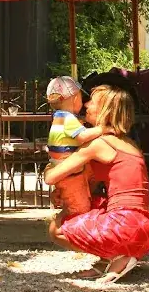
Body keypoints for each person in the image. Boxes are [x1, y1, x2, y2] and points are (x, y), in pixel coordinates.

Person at [44, 84, 149, 284]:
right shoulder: (129, 144)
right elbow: (94, 182)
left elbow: (51, 178)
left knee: (57, 228)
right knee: (91, 203)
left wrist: (50, 170)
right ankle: (113, 258)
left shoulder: (99, 144)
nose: (86, 104)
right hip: (145, 228)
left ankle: (118, 255)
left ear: (105, 111)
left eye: (92, 102)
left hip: (124, 226)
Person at [46, 76, 109, 219]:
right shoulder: (67, 118)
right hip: (70, 173)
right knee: (79, 209)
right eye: (81, 97)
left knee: (76, 203)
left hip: (64, 171)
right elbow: (82, 136)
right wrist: (103, 129)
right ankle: (71, 232)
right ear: (75, 98)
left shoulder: (58, 117)